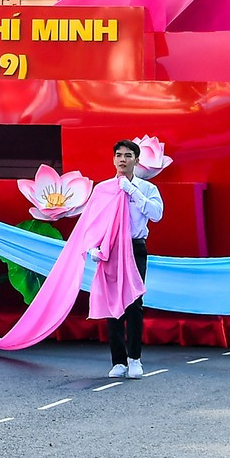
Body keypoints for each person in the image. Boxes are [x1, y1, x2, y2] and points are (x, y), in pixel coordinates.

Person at [102, 139, 162, 380]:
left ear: (137, 160)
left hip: (134, 246)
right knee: (113, 302)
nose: (123, 160)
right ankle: (118, 361)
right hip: (112, 248)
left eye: (128, 155)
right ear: (114, 159)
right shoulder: (104, 188)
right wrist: (97, 247)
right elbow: (96, 221)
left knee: (134, 302)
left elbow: (156, 215)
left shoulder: (147, 189)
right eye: (118, 155)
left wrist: (133, 191)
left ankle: (134, 359)